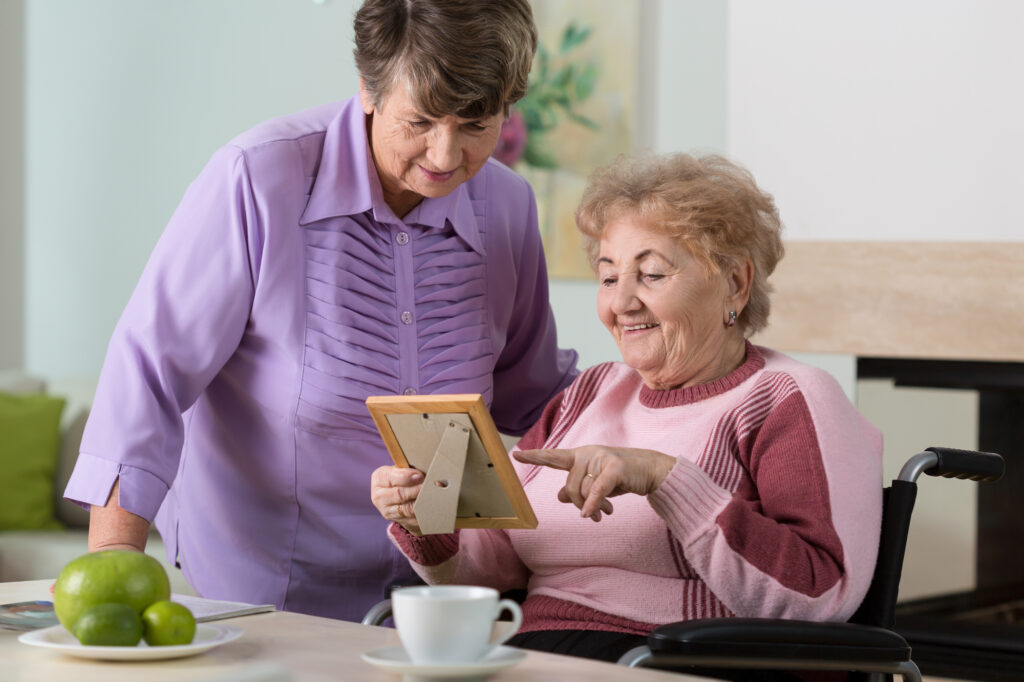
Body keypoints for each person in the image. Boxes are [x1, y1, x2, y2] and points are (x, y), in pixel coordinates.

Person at [63, 0, 577, 623]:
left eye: (475, 125)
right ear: (368, 88)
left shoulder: (509, 208)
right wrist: (114, 569)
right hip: (266, 596)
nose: (445, 157)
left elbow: (533, 397)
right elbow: (148, 376)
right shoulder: (259, 178)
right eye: (419, 121)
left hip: (439, 599)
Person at [371, 153, 883, 663]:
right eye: (610, 276)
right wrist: (429, 517)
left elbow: (820, 594)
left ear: (735, 283)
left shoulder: (787, 398)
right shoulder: (590, 392)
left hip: (679, 660)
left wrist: (666, 479)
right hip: (535, 651)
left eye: (652, 274)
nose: (622, 303)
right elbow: (497, 566)